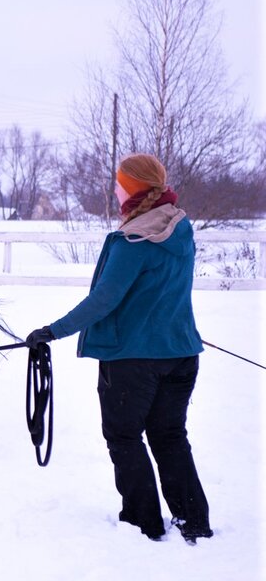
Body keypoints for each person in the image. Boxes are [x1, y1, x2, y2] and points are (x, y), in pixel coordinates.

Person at [25, 153, 211, 543]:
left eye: (119, 182)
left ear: (133, 188)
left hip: (132, 360)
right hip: (180, 353)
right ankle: (193, 520)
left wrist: (52, 331)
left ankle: (142, 524)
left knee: (124, 437)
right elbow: (158, 288)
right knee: (169, 435)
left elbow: (104, 299)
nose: (115, 187)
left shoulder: (133, 241)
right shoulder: (180, 227)